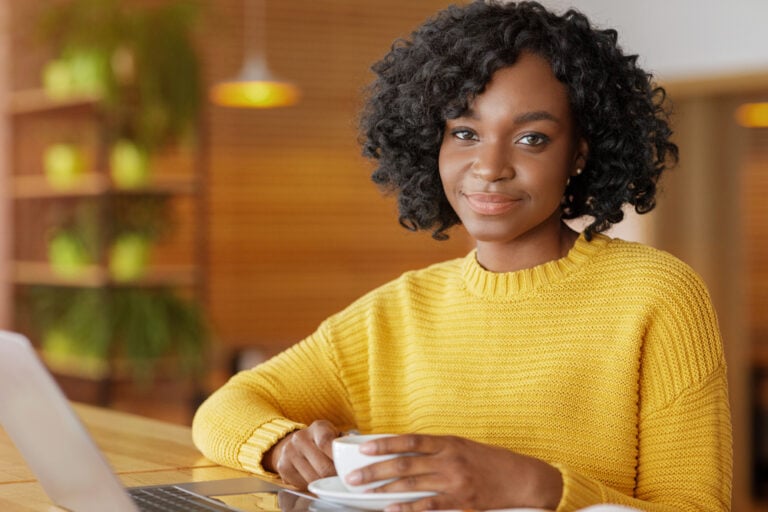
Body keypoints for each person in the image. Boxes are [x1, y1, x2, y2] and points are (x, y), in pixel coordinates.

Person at [192, 1, 732, 511]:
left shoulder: (656, 294)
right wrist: (280, 446)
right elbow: (223, 410)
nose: (490, 166)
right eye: (466, 133)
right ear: (433, 145)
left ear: (579, 153)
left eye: (532, 139)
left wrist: (529, 485)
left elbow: (695, 506)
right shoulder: (394, 313)